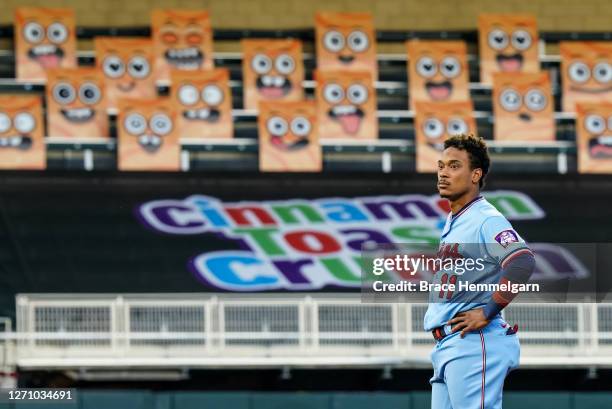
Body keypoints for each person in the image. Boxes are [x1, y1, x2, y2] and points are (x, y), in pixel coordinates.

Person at [425, 134, 536, 409]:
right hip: (449, 345)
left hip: (474, 342)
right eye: (441, 166)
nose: (443, 173)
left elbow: (522, 262)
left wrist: (487, 311)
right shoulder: (457, 219)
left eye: (454, 166)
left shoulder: (485, 219)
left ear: (475, 174)